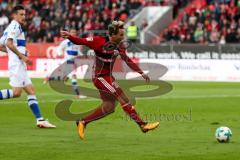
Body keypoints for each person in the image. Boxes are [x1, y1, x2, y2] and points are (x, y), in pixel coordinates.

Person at [61, 20, 159, 140]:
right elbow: (81, 41)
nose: (123, 37)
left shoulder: (120, 46)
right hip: (99, 77)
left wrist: (141, 72)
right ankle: (142, 125)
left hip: (108, 77)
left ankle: (83, 122)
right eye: (121, 35)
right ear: (113, 35)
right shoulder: (98, 41)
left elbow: (127, 60)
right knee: (123, 98)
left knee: (109, 107)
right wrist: (69, 36)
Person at [0, 5, 56, 128]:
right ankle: (40, 120)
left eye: (24, 14)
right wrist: (22, 56)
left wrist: (19, 53)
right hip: (17, 64)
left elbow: (1, 45)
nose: (24, 17)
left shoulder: (10, 27)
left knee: (31, 90)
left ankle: (40, 120)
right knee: (16, 93)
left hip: (18, 63)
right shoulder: (15, 26)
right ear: (14, 15)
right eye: (21, 14)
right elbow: (9, 43)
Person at [45, 28, 86, 98]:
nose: (74, 33)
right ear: (69, 33)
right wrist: (60, 53)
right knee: (74, 76)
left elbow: (77, 52)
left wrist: (83, 56)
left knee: (65, 78)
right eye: (72, 32)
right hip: (68, 62)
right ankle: (78, 95)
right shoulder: (66, 42)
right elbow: (59, 48)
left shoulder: (77, 42)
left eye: (75, 32)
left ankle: (50, 78)